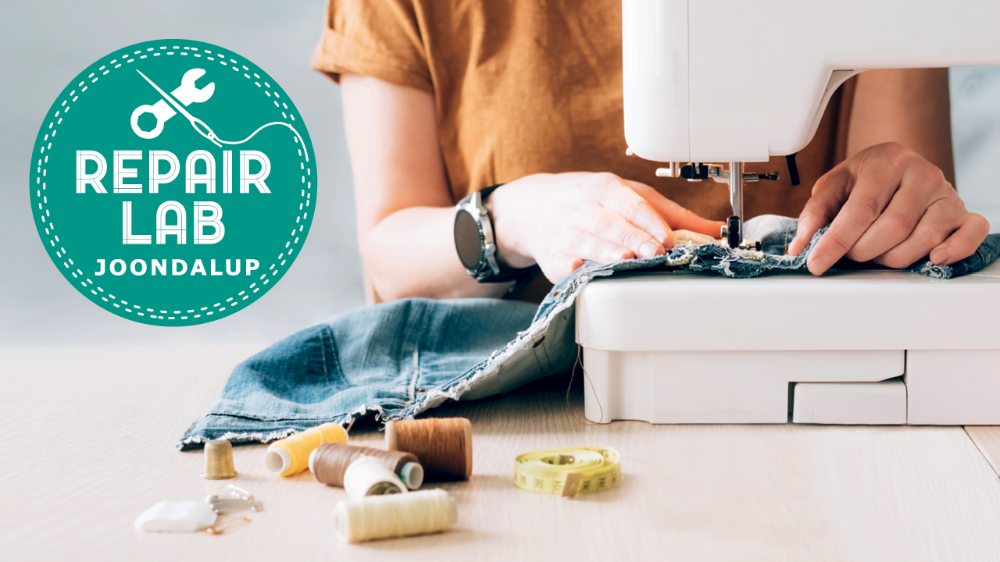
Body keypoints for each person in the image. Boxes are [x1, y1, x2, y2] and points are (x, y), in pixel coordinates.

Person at [312, 1, 990, 302]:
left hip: (795, 391)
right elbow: (390, 245)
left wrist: (904, 196)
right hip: (523, 412)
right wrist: (514, 217)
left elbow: (908, 246)